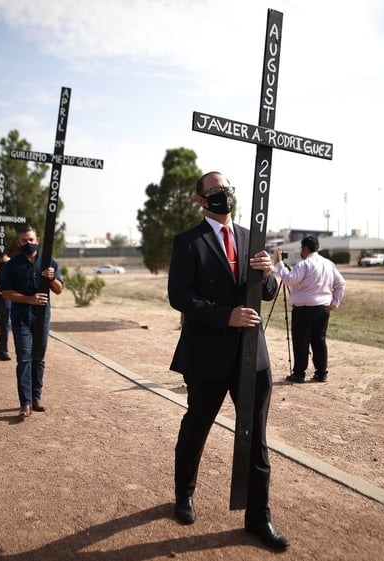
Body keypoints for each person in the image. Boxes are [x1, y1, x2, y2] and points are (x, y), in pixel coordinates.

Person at [168, 171, 289, 551]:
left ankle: (259, 517)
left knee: (256, 438)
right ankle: (184, 494)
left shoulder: (251, 238)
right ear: (201, 200)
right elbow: (180, 296)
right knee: (197, 427)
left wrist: (268, 274)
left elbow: (265, 292)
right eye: (216, 190)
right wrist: (225, 315)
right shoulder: (188, 242)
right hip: (207, 355)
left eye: (227, 188)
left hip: (252, 356)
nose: (225, 194)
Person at [0, 225, 63, 419]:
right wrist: (29, 299)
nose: (29, 243)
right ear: (19, 243)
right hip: (21, 319)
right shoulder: (12, 265)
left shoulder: (48, 262)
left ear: (37, 240)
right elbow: (6, 292)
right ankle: (25, 403)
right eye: (24, 240)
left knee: (39, 359)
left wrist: (51, 279)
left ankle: (36, 398)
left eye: (31, 240)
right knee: (24, 359)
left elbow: (59, 289)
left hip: (42, 318)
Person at [273, 235, 346, 383]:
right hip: (323, 308)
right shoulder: (328, 264)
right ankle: (321, 373)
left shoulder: (304, 264)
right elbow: (341, 283)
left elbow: (288, 279)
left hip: (304, 309)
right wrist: (335, 302)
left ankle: (299, 373)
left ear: (305, 248)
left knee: (301, 341)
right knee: (319, 340)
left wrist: (279, 263)